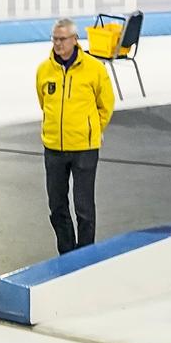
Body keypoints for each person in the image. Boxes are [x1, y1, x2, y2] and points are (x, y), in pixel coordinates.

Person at [37, 17, 115, 254]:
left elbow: (106, 104)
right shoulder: (43, 70)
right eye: (55, 39)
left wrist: (93, 129)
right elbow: (44, 103)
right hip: (54, 148)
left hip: (84, 148)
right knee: (57, 206)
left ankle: (85, 255)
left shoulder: (94, 69)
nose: (58, 44)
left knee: (84, 207)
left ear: (74, 40)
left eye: (62, 39)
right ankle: (67, 253)